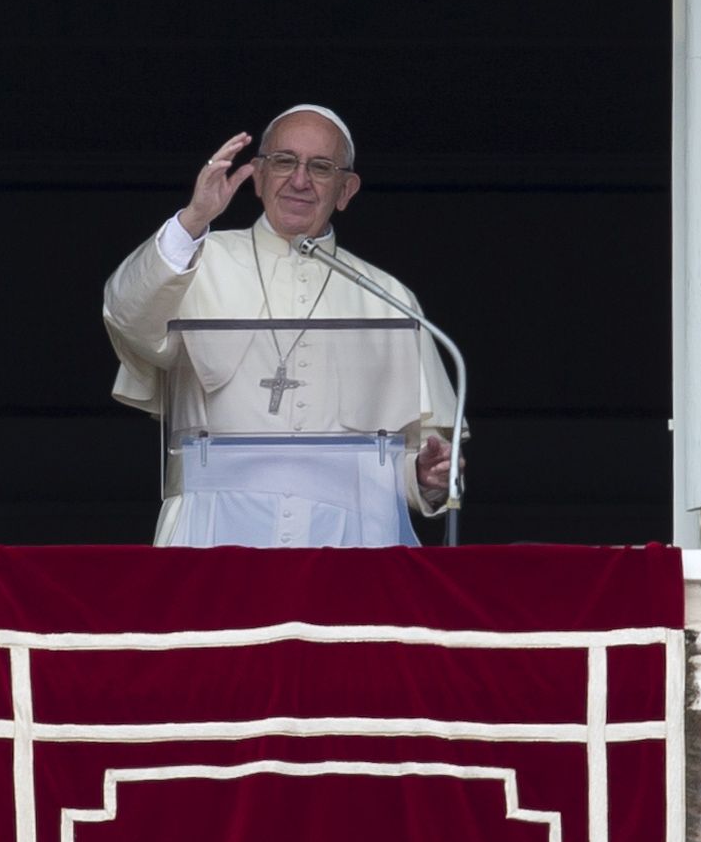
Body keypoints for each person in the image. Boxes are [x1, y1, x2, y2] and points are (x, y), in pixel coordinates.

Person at [103, 104, 459, 546]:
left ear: (346, 190)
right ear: (257, 174)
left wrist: (424, 476)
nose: (299, 180)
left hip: (352, 536)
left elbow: (409, 455)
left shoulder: (389, 298)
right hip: (213, 528)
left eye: (321, 167)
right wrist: (194, 218)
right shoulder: (195, 260)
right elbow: (126, 315)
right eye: (284, 161)